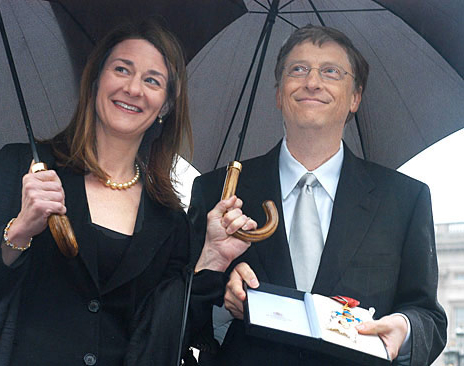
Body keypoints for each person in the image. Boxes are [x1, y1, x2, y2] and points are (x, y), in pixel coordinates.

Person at [0, 20, 254, 366]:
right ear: (96, 81)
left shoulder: (171, 221)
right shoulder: (19, 170)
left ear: (165, 106)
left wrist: (212, 259)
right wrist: (20, 229)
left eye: (152, 80)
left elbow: (167, 339)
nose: (133, 88)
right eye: (122, 69)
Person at [189, 24, 447, 365]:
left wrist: (404, 327)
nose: (312, 82)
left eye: (331, 71)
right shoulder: (217, 193)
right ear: (278, 94)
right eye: (298, 70)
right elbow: (180, 319)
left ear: (355, 97)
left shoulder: (405, 199)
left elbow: (428, 316)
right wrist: (223, 303)